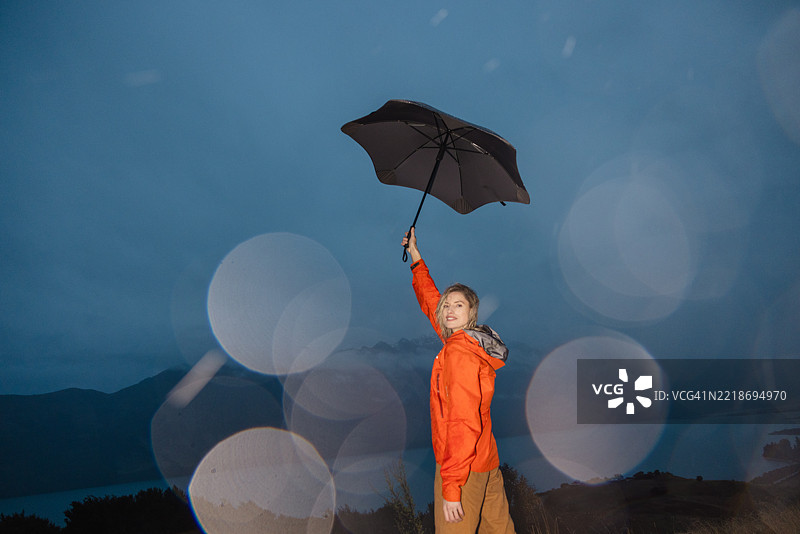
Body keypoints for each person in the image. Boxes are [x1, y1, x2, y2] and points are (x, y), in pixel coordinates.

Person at [401, 227, 516, 534]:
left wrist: (452, 487)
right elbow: (431, 302)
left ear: (471, 314)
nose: (449, 309)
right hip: (486, 461)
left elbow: (463, 420)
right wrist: (415, 257)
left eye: (458, 305)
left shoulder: (459, 352)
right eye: (447, 305)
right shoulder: (472, 342)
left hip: (463, 469)